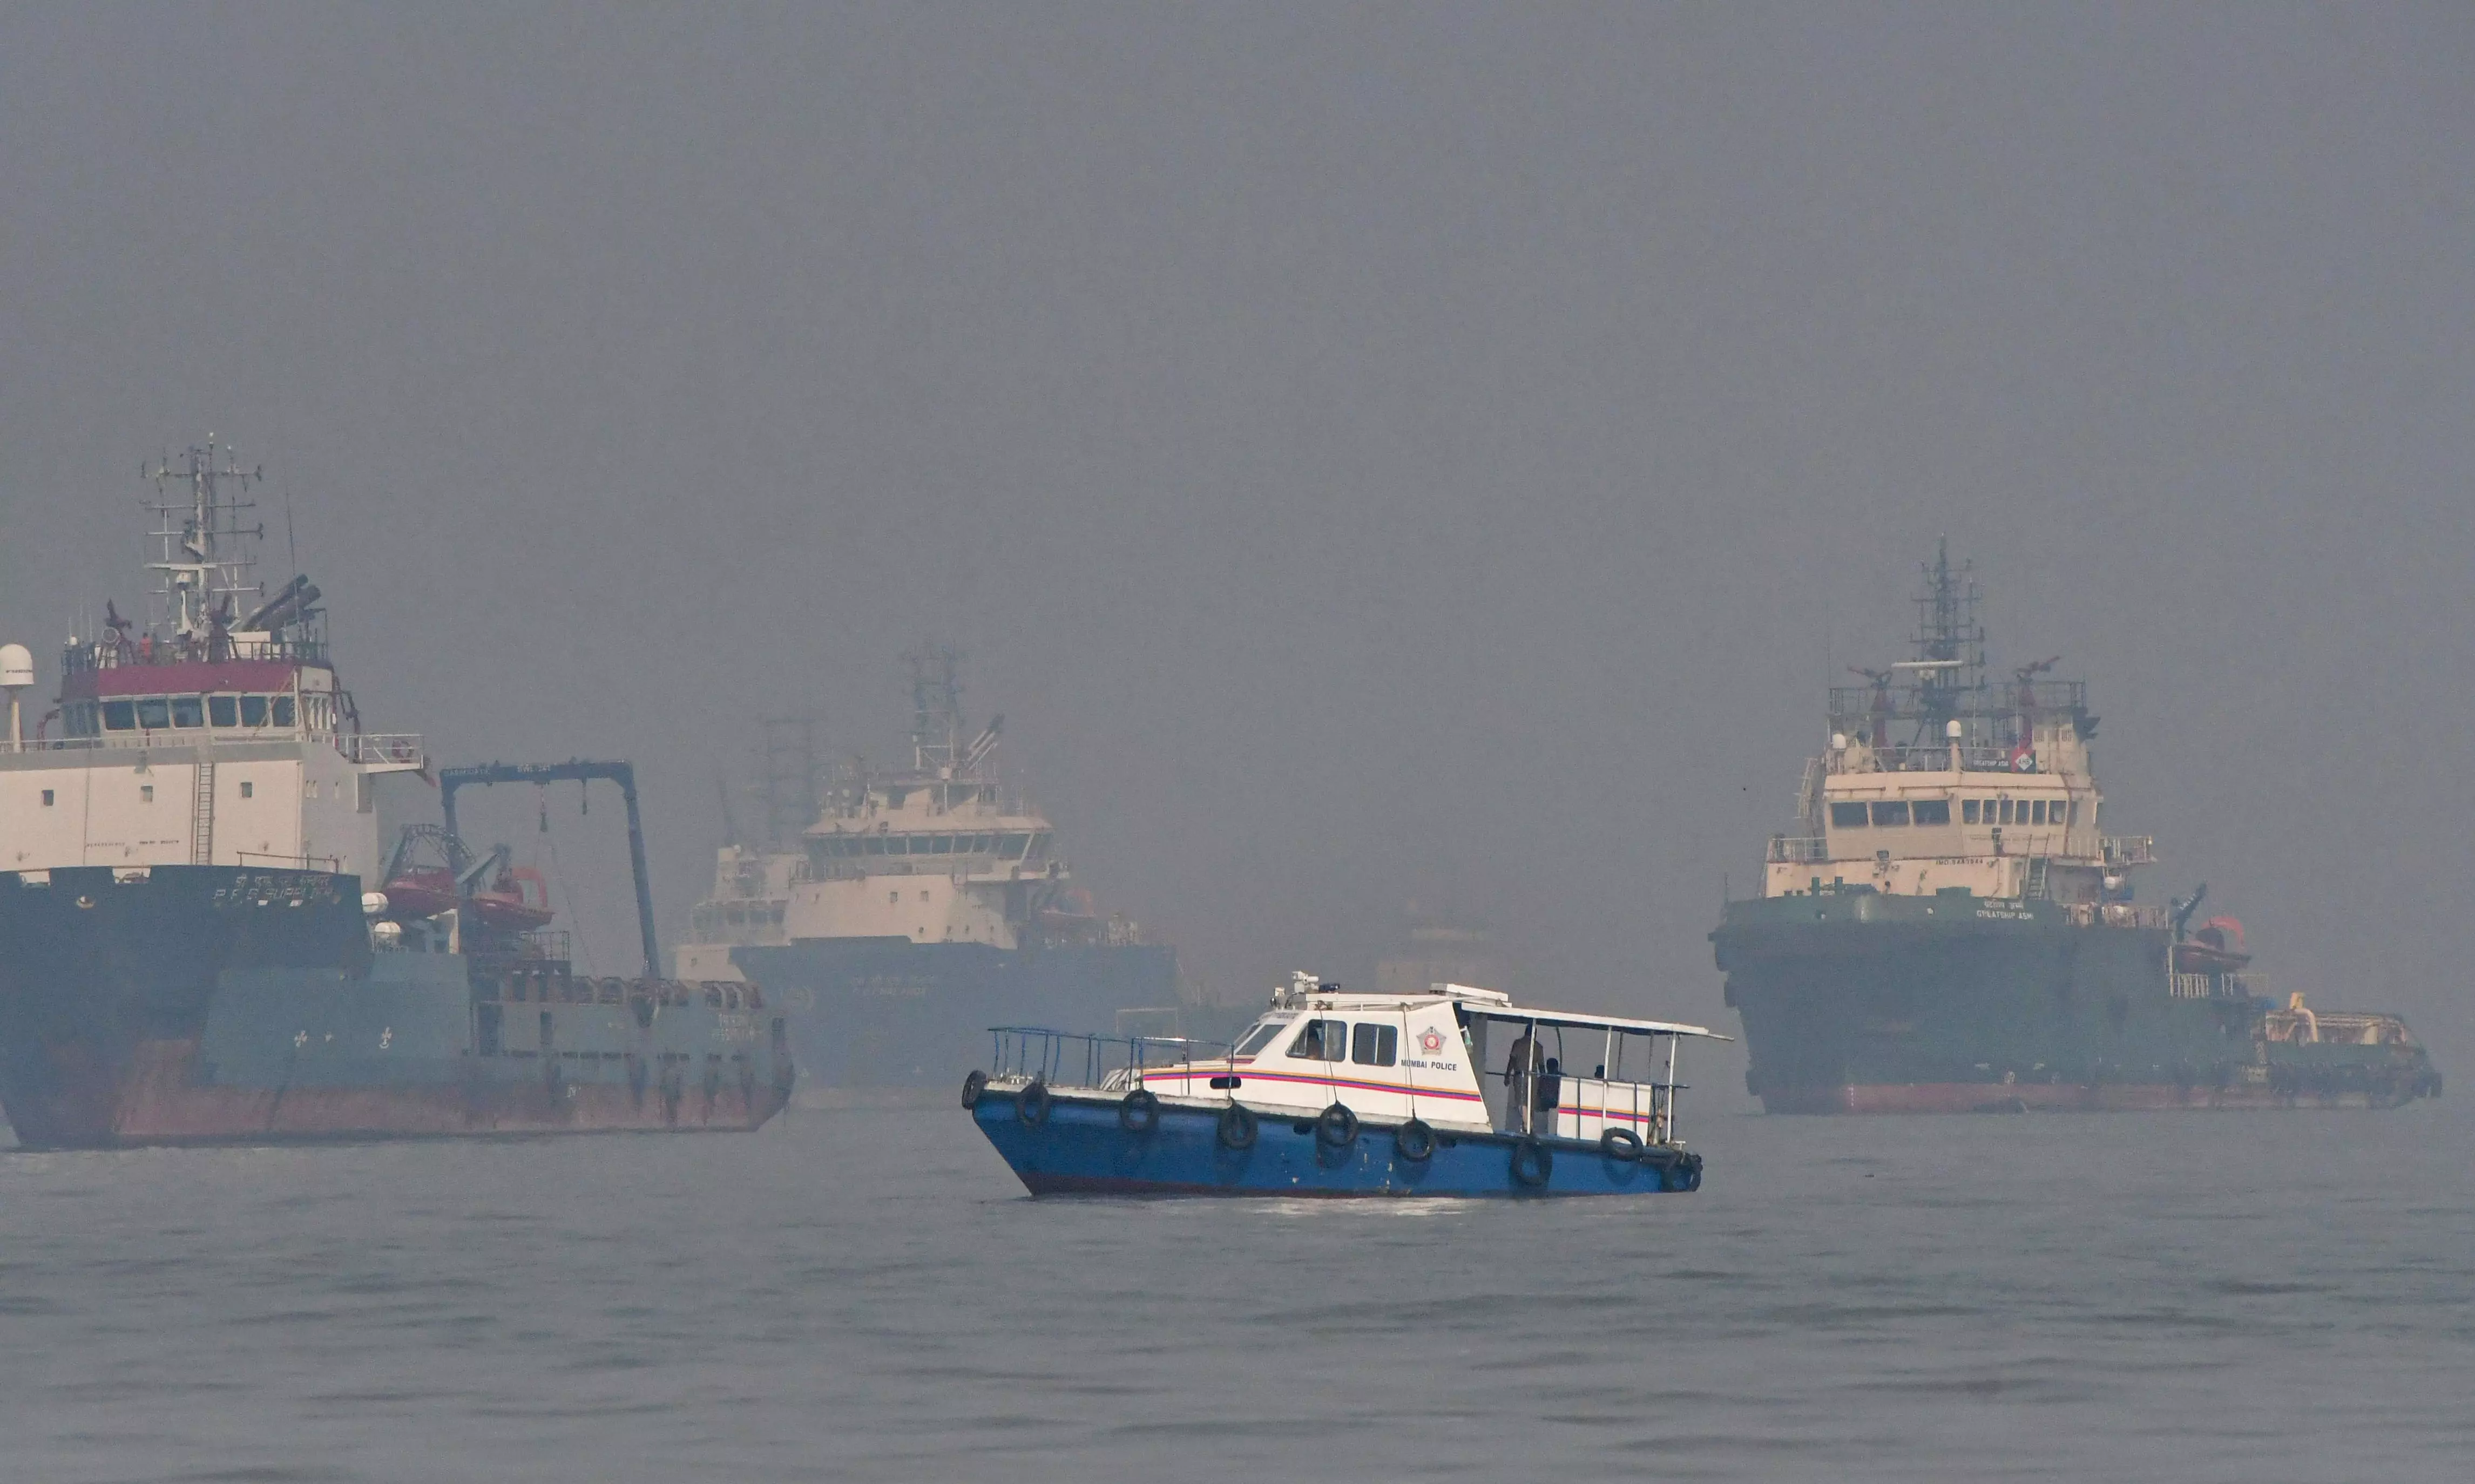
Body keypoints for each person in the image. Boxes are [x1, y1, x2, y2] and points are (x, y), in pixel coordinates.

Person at [1504, 1026, 1545, 1134]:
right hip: (1534, 1078)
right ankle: (1529, 1124)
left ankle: (1527, 1125)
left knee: (1521, 1102)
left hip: (1520, 1076)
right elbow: (1542, 1067)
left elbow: (1512, 1061)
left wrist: (1507, 1076)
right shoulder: (1539, 1047)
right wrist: (1544, 1081)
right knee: (1531, 1102)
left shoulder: (1518, 1044)